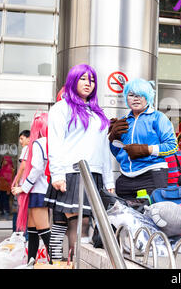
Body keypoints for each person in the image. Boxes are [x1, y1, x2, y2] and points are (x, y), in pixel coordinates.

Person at [44, 64, 115, 260]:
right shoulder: (62, 108)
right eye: (83, 78)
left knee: (74, 223)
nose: (88, 83)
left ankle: (64, 263)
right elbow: (55, 143)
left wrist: (109, 181)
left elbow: (103, 149)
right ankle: (67, 263)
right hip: (71, 173)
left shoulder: (98, 113)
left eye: (91, 80)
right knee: (78, 224)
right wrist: (57, 174)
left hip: (95, 174)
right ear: (73, 80)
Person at [108, 78, 177, 200]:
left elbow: (172, 146)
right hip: (125, 177)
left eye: (141, 95)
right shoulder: (124, 121)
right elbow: (118, 153)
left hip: (151, 175)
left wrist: (146, 149)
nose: (136, 98)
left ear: (148, 97)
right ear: (126, 98)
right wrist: (112, 138)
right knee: (127, 217)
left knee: (151, 216)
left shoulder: (158, 117)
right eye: (131, 95)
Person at [12, 113, 52, 264]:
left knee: (43, 231)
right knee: (34, 231)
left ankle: (56, 262)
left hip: (38, 191)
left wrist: (23, 188)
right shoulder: (50, 142)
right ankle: (31, 262)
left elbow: (36, 169)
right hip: (41, 190)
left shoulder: (39, 143)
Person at [11, 130, 30, 232]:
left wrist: (16, 181)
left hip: (23, 185)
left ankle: (18, 233)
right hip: (29, 185)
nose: (20, 141)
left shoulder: (27, 148)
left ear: (29, 138)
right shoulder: (33, 149)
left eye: (22, 139)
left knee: (19, 211)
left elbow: (23, 166)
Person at [0, 156, 14, 220]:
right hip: (1, 188)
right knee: (1, 200)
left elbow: (11, 180)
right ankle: (2, 211)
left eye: (5, 160)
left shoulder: (11, 170)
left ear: (8, 161)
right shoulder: (2, 168)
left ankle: (6, 212)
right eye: (3, 160)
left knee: (5, 201)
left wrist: (9, 190)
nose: (4, 162)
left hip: (7, 189)